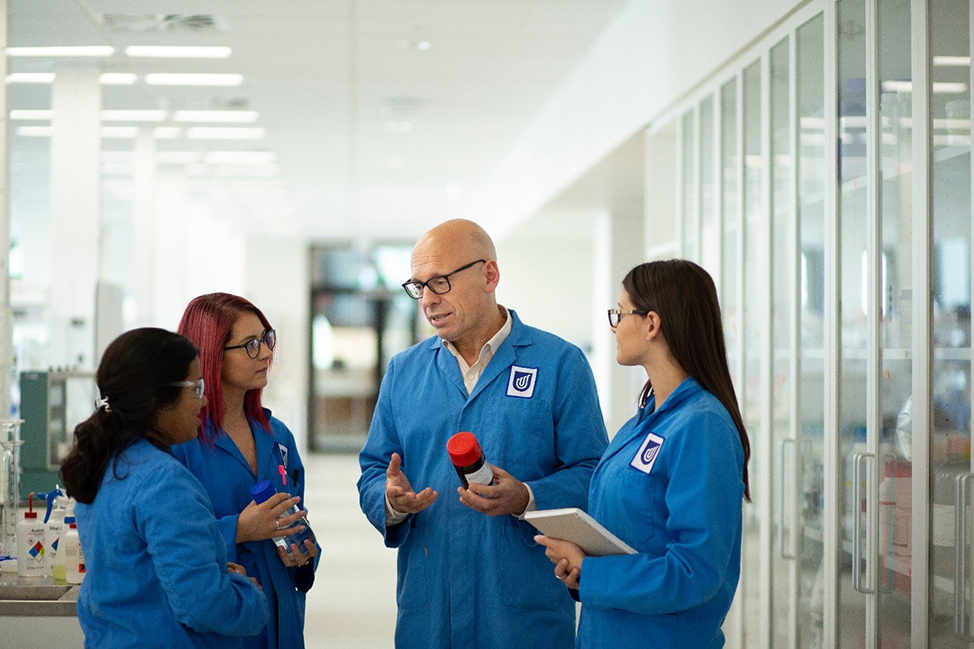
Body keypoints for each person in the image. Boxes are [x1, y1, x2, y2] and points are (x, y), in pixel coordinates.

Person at [357, 219, 609, 648]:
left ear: (489, 275)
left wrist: (526, 496)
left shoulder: (559, 364)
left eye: (440, 282)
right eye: (419, 287)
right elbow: (373, 470)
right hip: (430, 608)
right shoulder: (405, 372)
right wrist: (390, 499)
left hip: (521, 611)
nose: (428, 302)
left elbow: (593, 474)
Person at [536, 259, 751, 649]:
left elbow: (695, 572)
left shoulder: (702, 426)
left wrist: (593, 571)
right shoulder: (647, 419)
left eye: (620, 313)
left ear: (652, 324)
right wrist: (584, 572)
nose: (614, 325)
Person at [60, 328, 269, 648]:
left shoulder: (108, 466)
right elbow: (205, 606)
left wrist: (213, 571)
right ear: (156, 398)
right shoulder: (166, 483)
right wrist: (247, 593)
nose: (205, 400)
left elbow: (134, 577)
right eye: (196, 387)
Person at [171, 293, 318, 649]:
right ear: (210, 354)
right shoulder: (180, 442)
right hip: (219, 621)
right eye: (251, 345)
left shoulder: (277, 436)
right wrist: (238, 530)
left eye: (267, 339)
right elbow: (165, 542)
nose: (267, 354)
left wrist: (304, 553)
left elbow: (296, 516)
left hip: (281, 618)